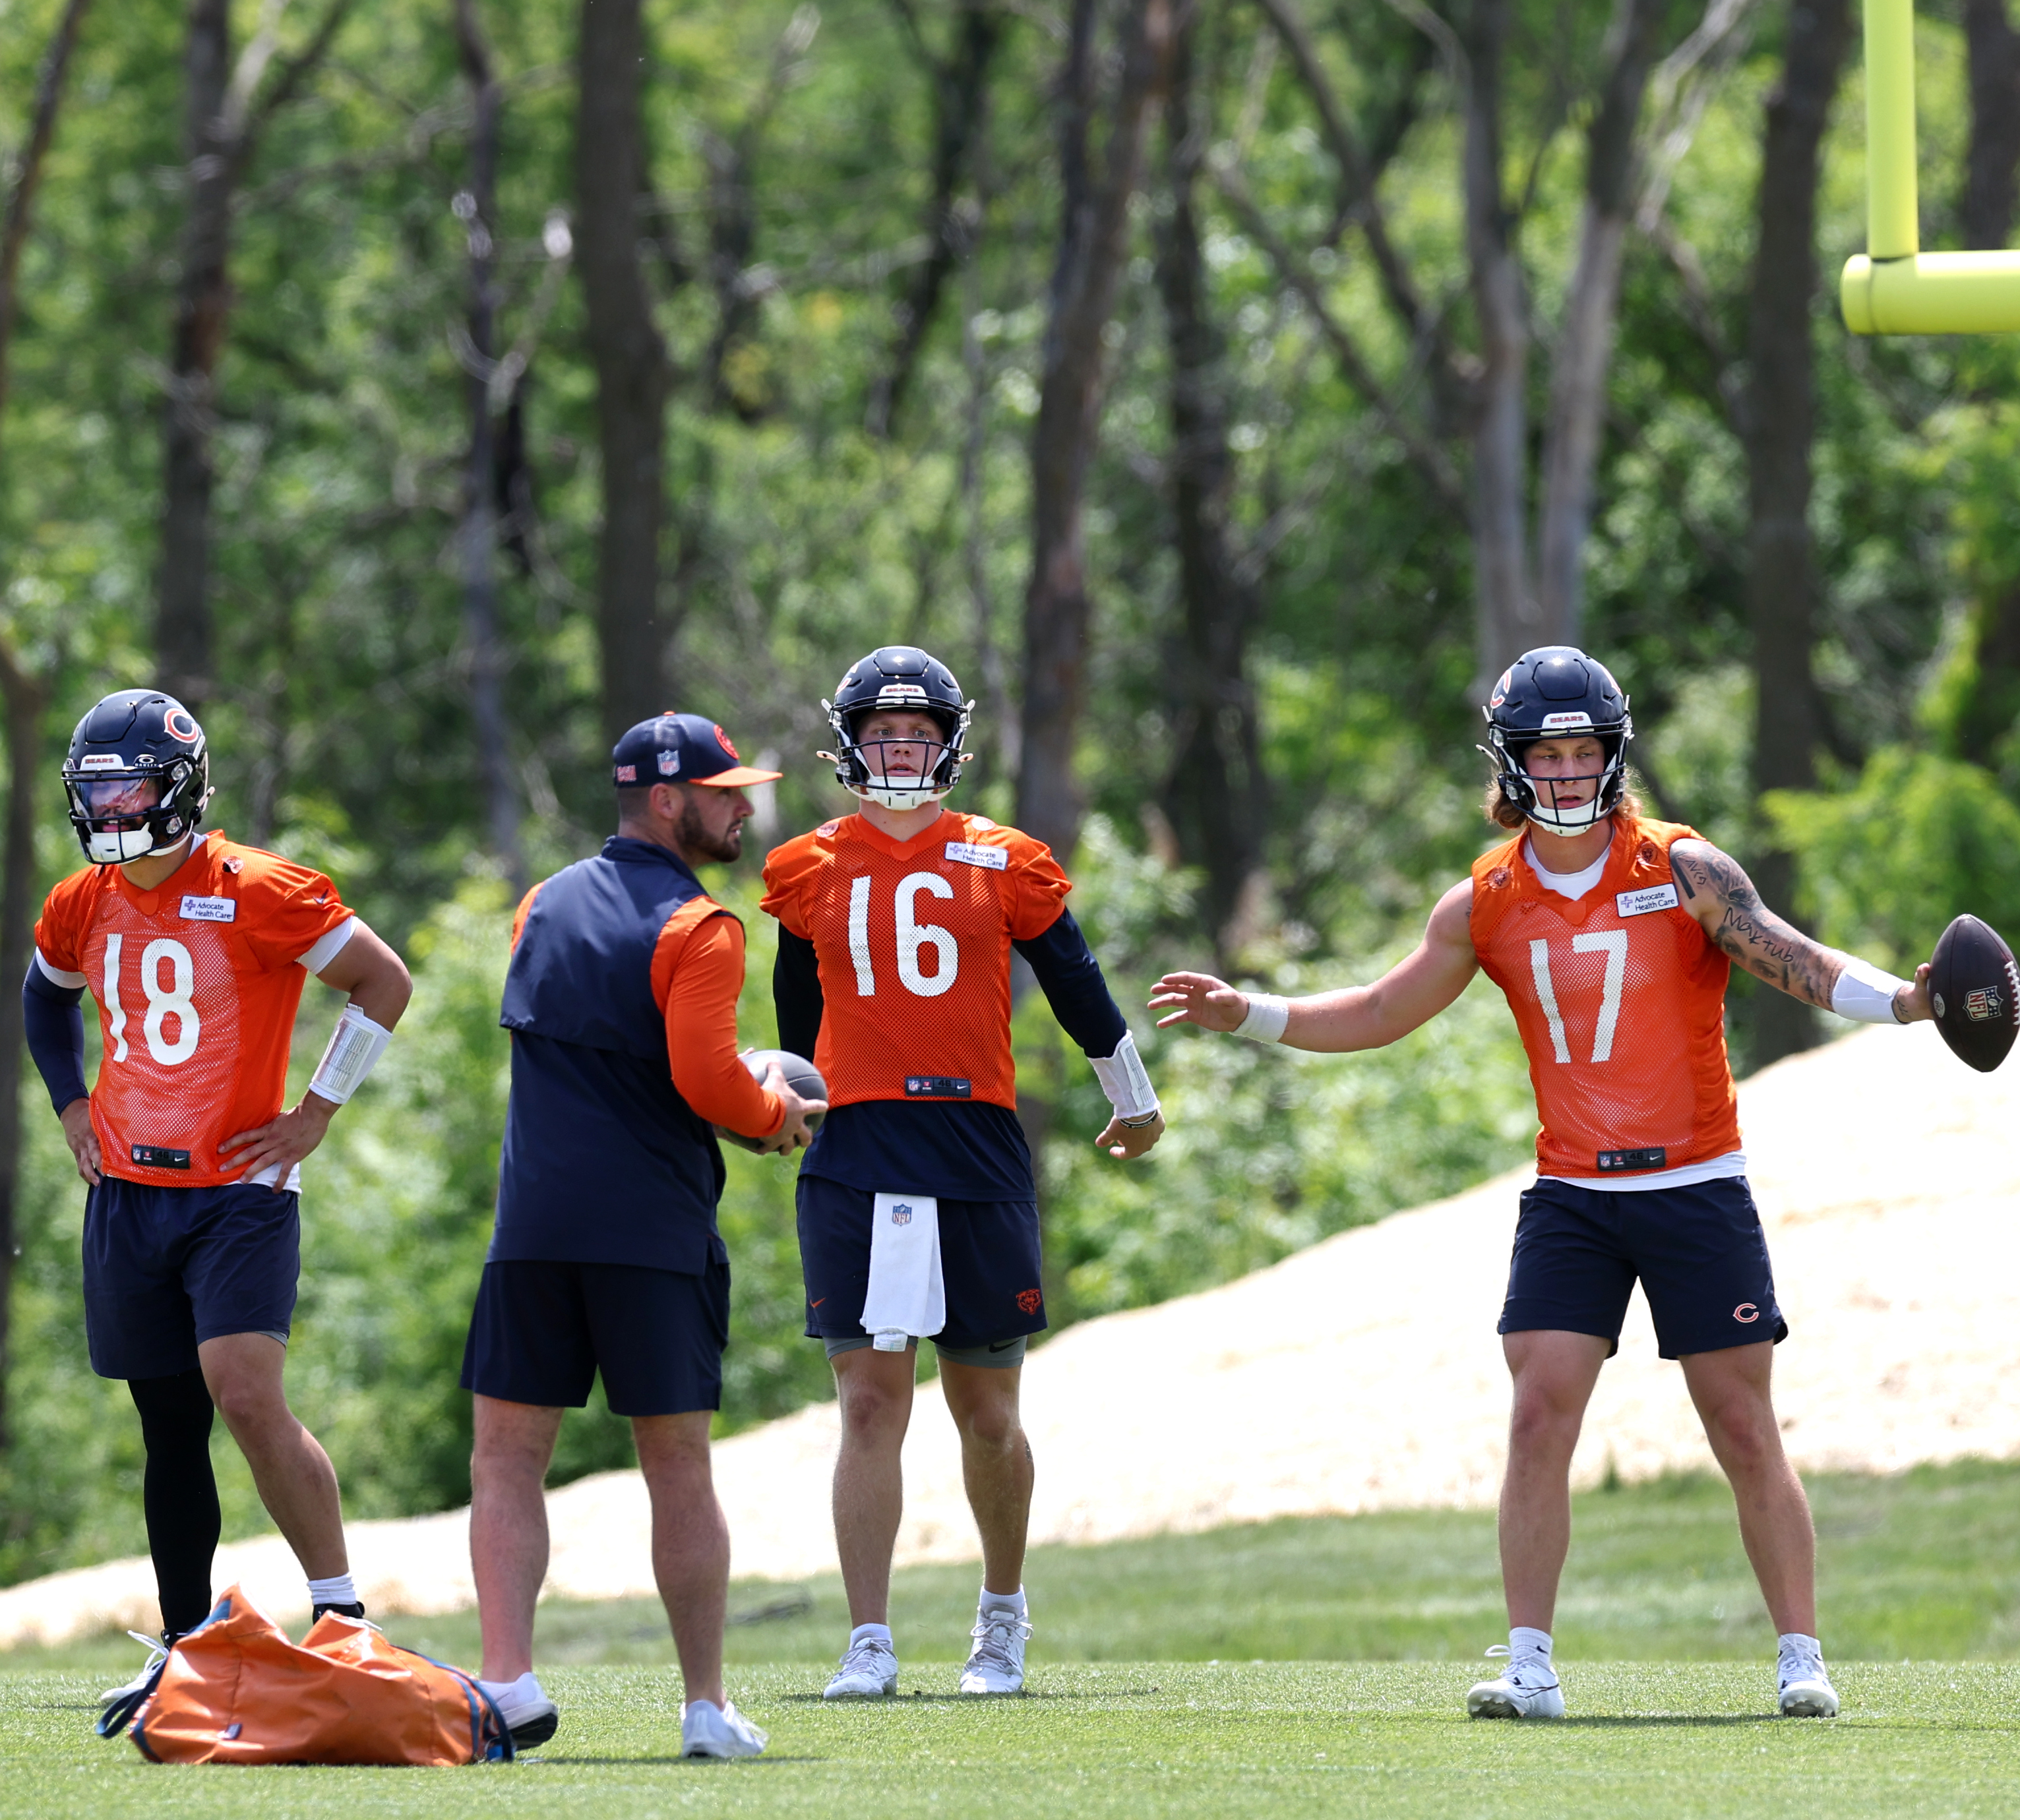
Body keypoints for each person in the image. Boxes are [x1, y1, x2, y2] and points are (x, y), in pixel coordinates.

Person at [1152, 646, 1940, 1723]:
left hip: (1695, 1181)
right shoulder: (1486, 896)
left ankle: (1800, 1655)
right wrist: (1251, 1012)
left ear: (1612, 757)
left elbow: (1787, 958)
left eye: (1582, 752)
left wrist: (1903, 1001)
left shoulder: (1682, 867)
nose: (1566, 773)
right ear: (1511, 764)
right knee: (1538, 1413)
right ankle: (1529, 1662)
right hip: (1571, 1194)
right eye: (1545, 754)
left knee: (1740, 1423)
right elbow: (1383, 1010)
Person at [760, 646, 1167, 1701]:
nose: (902, 751)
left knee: (986, 1408)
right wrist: (780, 1106)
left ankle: (1000, 1615)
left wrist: (1132, 1094)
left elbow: (1074, 980)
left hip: (972, 1140)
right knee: (865, 1400)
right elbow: (792, 1016)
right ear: (848, 746)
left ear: (951, 745)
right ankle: (869, 1638)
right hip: (855, 1144)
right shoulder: (806, 864)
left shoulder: (1005, 857)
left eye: (918, 735)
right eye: (884, 735)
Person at [22, 689, 413, 1703]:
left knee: (245, 1394)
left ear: (182, 789)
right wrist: (71, 1107)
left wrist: (316, 1111)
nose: (110, 809)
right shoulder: (81, 900)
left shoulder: (259, 887)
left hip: (237, 1191)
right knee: (167, 1425)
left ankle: (340, 1614)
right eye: (96, 790)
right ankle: (185, 1640)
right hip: (129, 1196)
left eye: (129, 787)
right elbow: (43, 995)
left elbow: (383, 982)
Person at [464, 712, 825, 1759]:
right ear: (668, 800)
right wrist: (775, 1119)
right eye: (722, 793)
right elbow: (707, 1079)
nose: (741, 807)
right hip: (649, 1231)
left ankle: (507, 1685)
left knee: (505, 1460)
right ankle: (705, 1708)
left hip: (532, 1226)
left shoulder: (541, 903)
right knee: (675, 1464)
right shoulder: (702, 927)